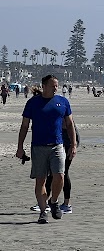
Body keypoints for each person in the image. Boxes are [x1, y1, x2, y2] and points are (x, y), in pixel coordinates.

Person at [16, 75, 77, 224]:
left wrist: (73, 145)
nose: (55, 88)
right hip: (38, 147)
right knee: (40, 180)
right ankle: (43, 212)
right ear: (44, 86)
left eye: (56, 85)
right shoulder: (33, 103)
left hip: (57, 145)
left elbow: (70, 124)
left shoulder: (63, 102)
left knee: (60, 176)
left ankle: (54, 201)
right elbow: (24, 126)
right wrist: (20, 147)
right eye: (52, 85)